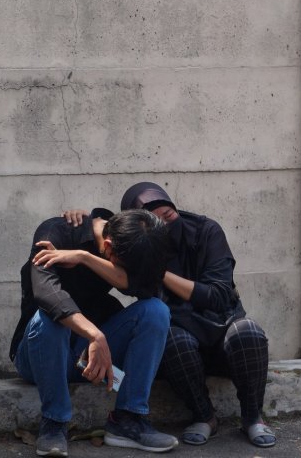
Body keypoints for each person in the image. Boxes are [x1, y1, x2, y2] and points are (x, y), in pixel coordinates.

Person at [64, 182, 275, 448]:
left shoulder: (205, 231)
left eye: (165, 209)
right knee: (175, 340)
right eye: (152, 215)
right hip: (179, 347)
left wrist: (157, 271)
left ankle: (253, 418)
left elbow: (218, 296)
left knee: (248, 333)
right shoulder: (136, 251)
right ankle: (204, 417)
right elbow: (114, 250)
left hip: (222, 329)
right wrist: (90, 222)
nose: (163, 217)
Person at [9, 208, 179, 456]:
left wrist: (84, 258)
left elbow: (141, 287)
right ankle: (54, 423)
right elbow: (47, 294)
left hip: (85, 360)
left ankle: (127, 420)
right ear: (109, 248)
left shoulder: (126, 237)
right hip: (38, 356)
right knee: (49, 319)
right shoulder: (54, 232)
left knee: (156, 311)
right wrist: (95, 335)